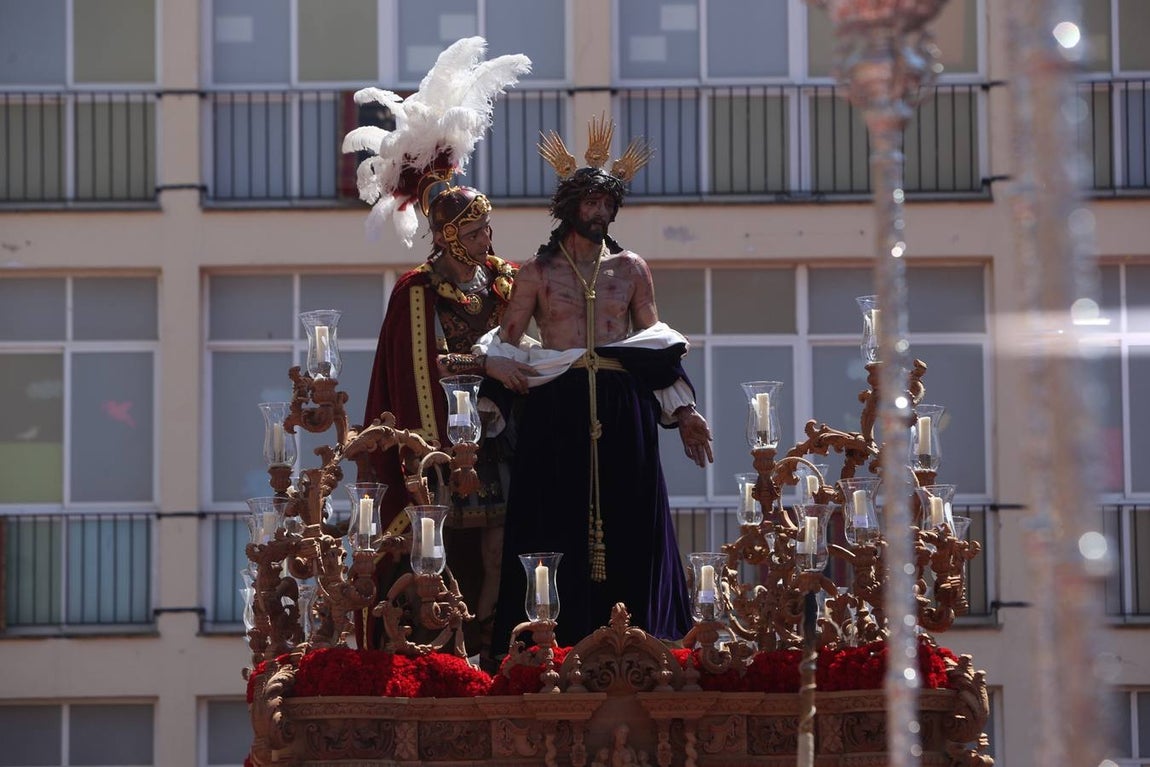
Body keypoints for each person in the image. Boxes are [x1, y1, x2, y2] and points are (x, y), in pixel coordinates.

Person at [482, 118, 714, 651]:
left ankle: (645, 643)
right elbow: (507, 341)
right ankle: (547, 642)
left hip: (622, 402)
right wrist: (492, 373)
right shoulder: (536, 272)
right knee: (551, 518)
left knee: (634, 520)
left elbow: (655, 341)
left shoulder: (630, 269)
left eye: (608, 205)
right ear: (569, 207)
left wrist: (684, 412)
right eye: (591, 204)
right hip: (557, 403)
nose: (601, 213)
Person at [361, 184, 536, 663]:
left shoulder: (503, 278)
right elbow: (420, 361)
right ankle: (443, 645)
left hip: (500, 434)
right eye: (476, 231)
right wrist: (486, 366)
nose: (487, 238)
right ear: (449, 236)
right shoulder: (417, 290)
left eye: (487, 228)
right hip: (440, 440)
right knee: (438, 547)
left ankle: (489, 638)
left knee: (500, 546)